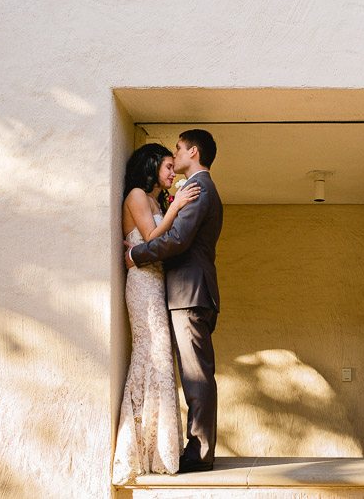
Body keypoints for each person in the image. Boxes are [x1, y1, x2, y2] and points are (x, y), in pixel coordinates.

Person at [125, 129, 223, 474]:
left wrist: (137, 253)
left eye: (178, 150)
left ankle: (199, 453)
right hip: (190, 291)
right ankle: (195, 448)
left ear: (192, 152)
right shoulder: (197, 188)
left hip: (189, 292)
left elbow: (178, 239)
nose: (176, 157)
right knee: (195, 374)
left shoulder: (199, 188)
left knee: (196, 376)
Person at [113, 143, 201, 484]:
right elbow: (150, 236)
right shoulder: (136, 195)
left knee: (160, 360)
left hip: (156, 280)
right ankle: (137, 449)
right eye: (166, 166)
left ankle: (158, 449)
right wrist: (177, 205)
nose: (171, 172)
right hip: (141, 284)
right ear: (151, 166)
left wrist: (171, 207)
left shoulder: (155, 201)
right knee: (150, 356)